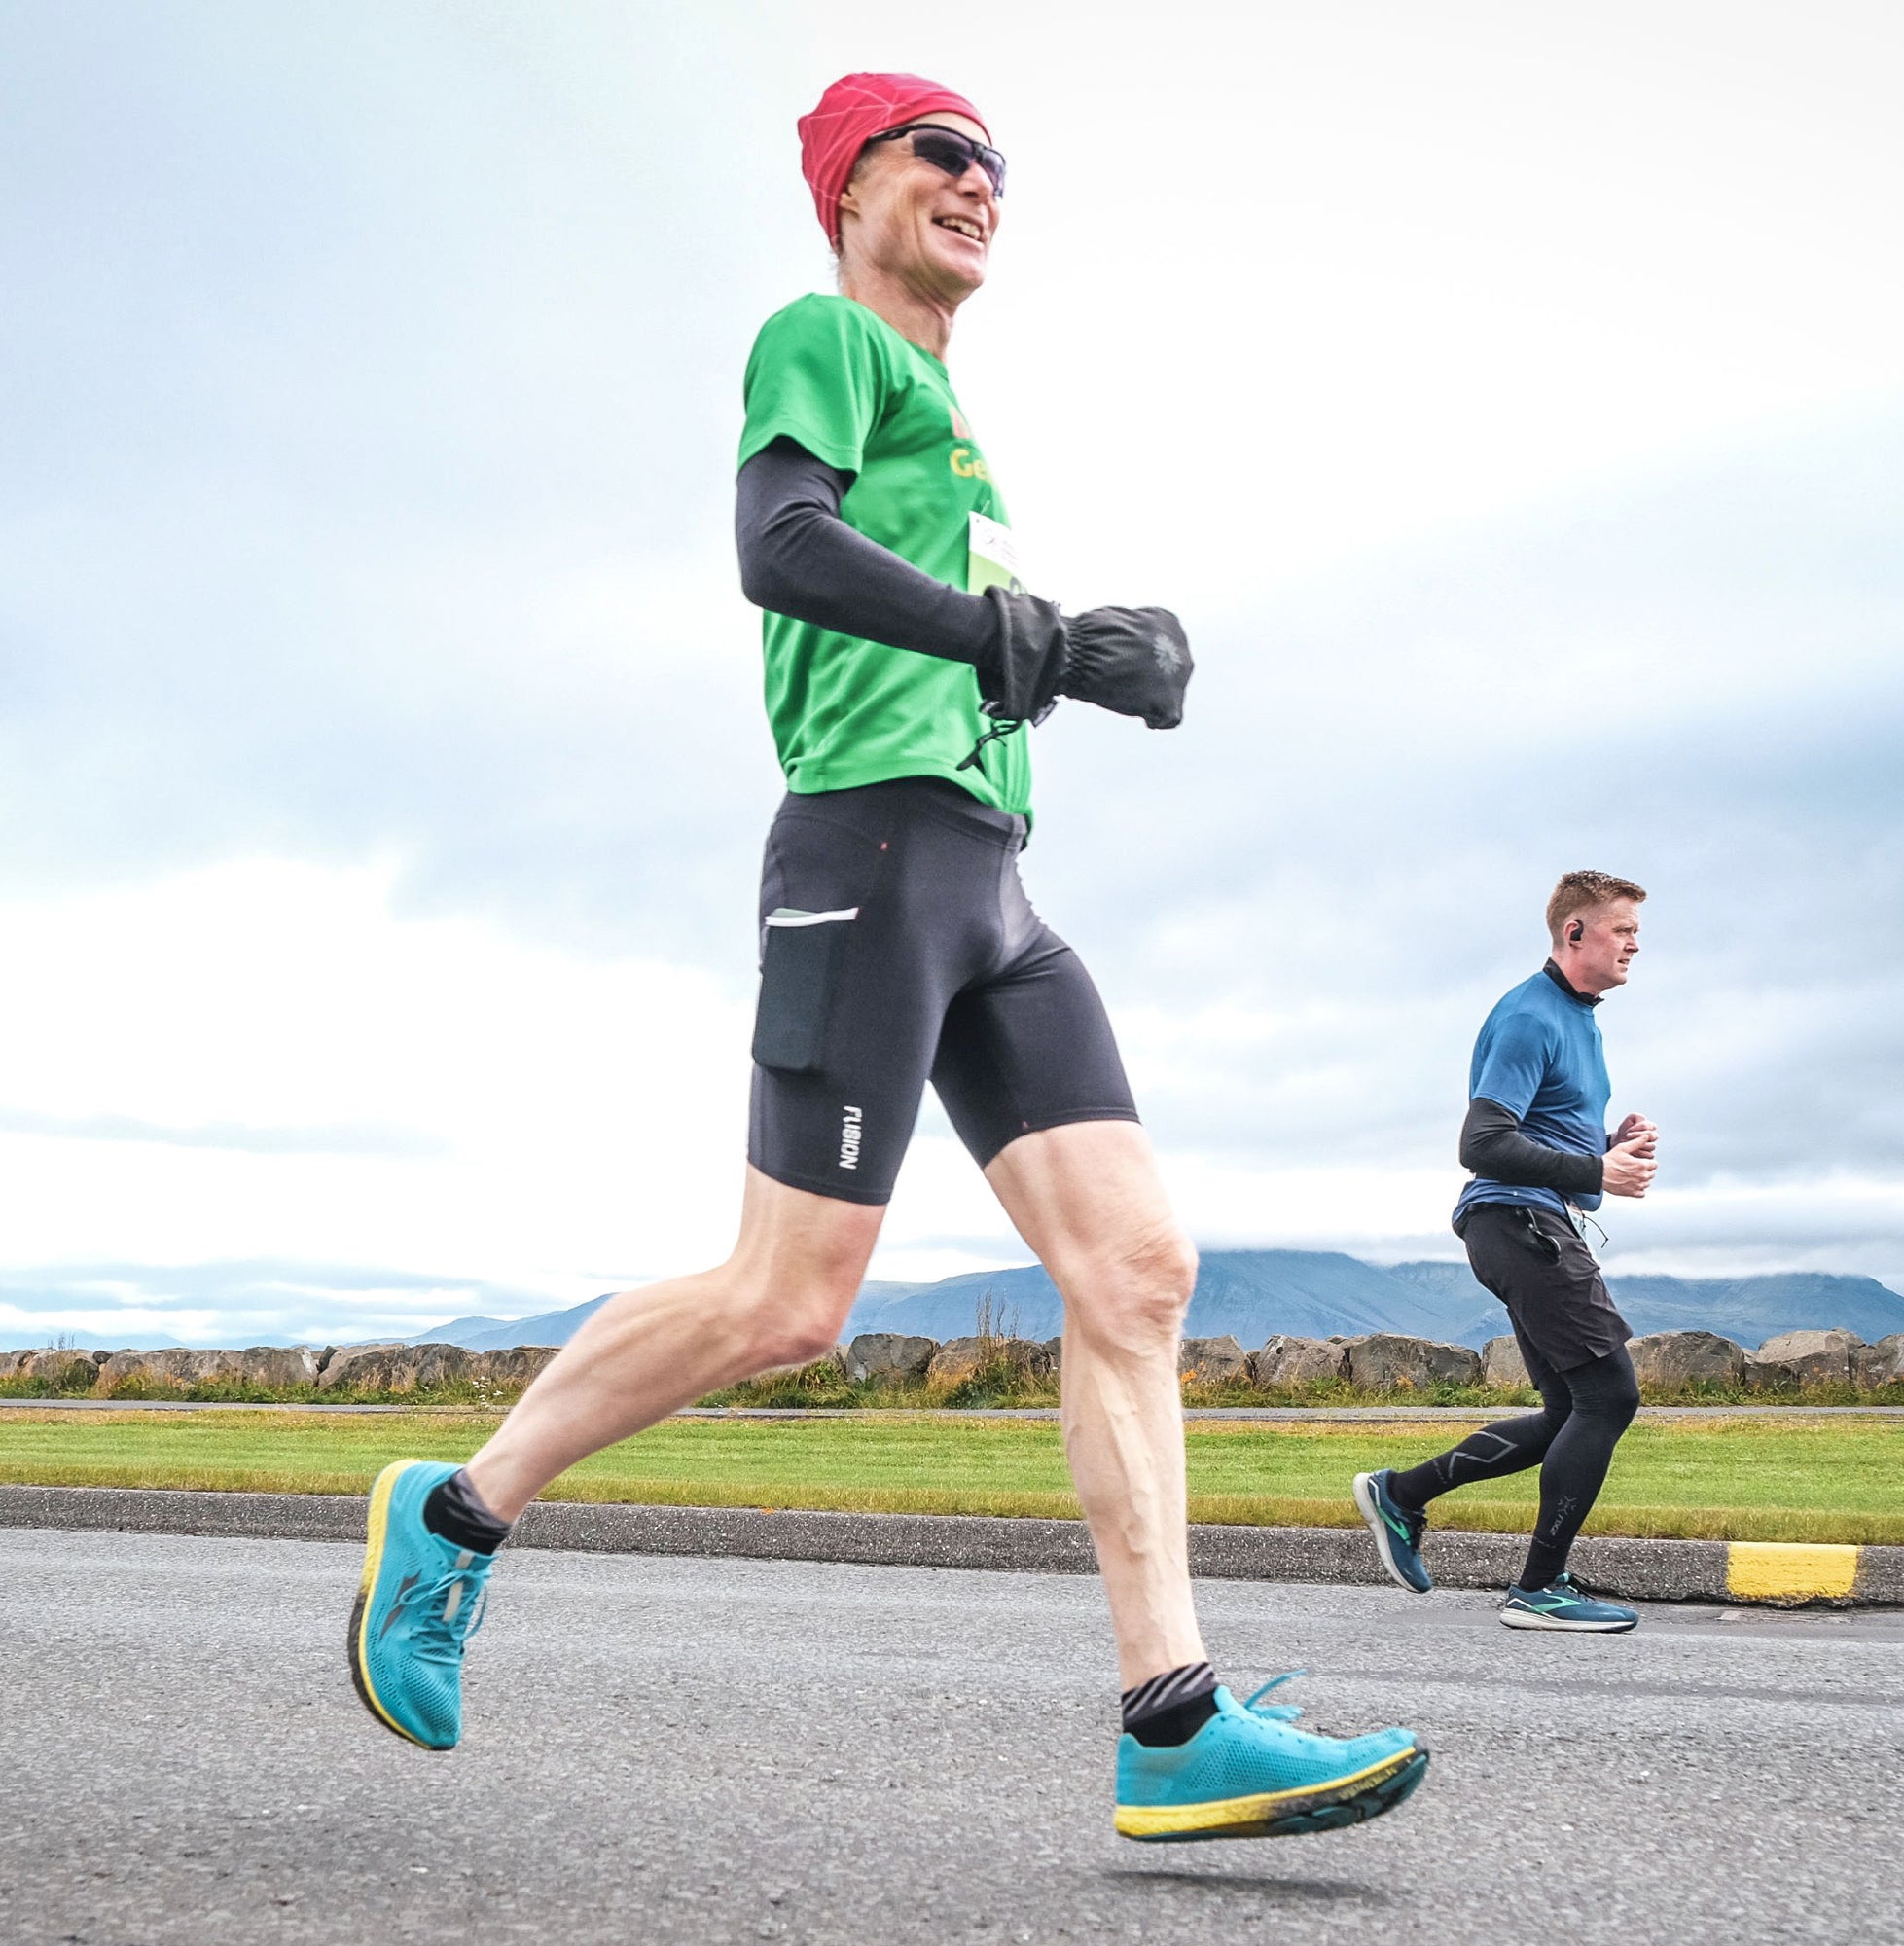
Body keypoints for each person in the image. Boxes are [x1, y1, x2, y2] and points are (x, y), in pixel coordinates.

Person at [346, 72, 1428, 1842]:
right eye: (944, 154)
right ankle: (453, 1517)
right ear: (851, 187)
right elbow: (780, 547)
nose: (981, 184)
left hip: (994, 880)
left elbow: (978, 633)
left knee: (1140, 1272)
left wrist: (1087, 647)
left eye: (1000, 166)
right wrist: (1023, 636)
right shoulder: (824, 338)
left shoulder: (958, 418)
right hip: (869, 845)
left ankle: (1171, 1721)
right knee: (789, 1303)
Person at [1353, 870, 1656, 1632]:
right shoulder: (1531, 1016)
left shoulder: (1578, 1019)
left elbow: (1538, 1129)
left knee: (1568, 1412)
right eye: (1621, 929)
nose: (1634, 943)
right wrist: (1595, 1170)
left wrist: (1607, 1144)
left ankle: (1402, 1493)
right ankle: (1539, 1588)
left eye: (1636, 932)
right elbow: (1482, 1141)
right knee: (1610, 1396)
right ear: (1574, 932)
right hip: (1519, 1224)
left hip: (1525, 1224)